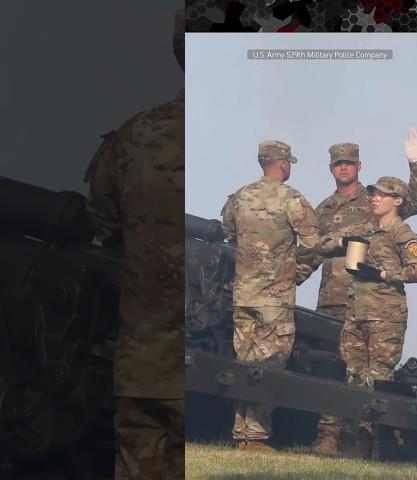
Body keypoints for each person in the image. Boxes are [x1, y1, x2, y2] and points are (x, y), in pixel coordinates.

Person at [84, 9, 186, 479]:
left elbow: (101, 229)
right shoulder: (258, 147)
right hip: (216, 374)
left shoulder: (131, 138)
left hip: (143, 368)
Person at [299, 128, 417, 454]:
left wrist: (416, 164)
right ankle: (331, 437)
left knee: (375, 374)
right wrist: (287, 280)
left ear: (359, 165)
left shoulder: (378, 203)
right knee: (333, 369)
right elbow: (315, 252)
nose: (343, 168)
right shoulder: (326, 208)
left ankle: (369, 443)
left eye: (349, 163)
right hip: (333, 299)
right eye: (337, 163)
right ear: (331, 168)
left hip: (376, 305)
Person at [221, 140, 319, 452]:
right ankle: (257, 437)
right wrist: (297, 273)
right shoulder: (292, 199)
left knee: (244, 363)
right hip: (275, 299)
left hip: (244, 295)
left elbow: (228, 235)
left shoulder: (240, 197)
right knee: (270, 366)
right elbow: (313, 244)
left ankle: (242, 434)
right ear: (284, 164)